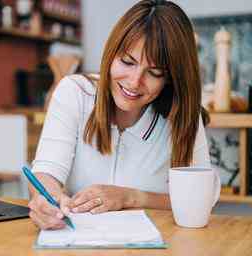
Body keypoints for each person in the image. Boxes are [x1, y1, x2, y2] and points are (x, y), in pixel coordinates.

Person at [28, 0, 218, 230]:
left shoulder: (182, 113)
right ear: (111, 54)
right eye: (127, 62)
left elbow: (202, 198)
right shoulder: (75, 93)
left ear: (170, 78)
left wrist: (131, 197)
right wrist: (46, 200)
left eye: (155, 72)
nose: (134, 82)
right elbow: (47, 172)